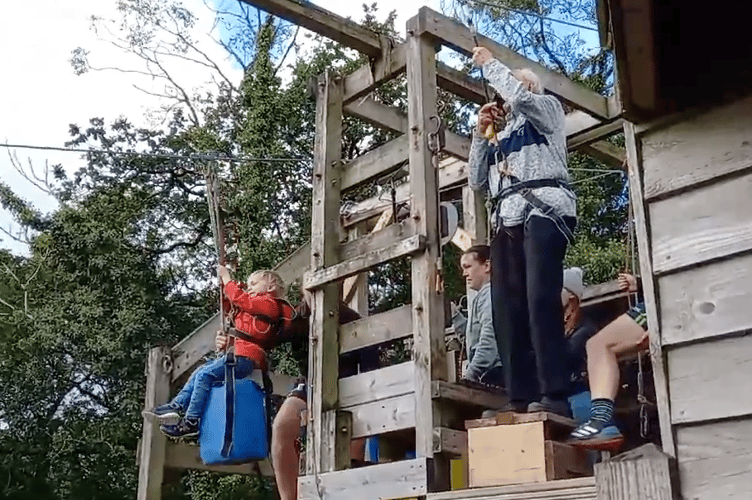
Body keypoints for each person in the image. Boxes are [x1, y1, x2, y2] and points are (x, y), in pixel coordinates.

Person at [468, 46, 577, 417]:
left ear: (528, 88)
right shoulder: (501, 136)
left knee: (539, 298)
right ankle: (518, 395)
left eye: (511, 89)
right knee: (506, 309)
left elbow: (518, 95)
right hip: (507, 217)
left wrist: (489, 65)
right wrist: (482, 133)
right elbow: (476, 179)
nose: (505, 97)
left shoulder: (547, 110)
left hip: (545, 207)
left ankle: (555, 394)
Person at [143, 266, 291, 438]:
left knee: (205, 375)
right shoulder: (253, 310)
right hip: (239, 354)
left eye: (254, 283)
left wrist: (227, 278)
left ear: (270, 287)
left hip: (246, 357)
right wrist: (224, 289)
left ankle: (191, 420)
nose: (249, 287)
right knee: (200, 372)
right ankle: (177, 406)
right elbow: (232, 307)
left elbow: (240, 299)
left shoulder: (269, 304)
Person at [272, 291, 377, 500]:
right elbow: (266, 337)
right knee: (282, 425)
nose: (313, 293)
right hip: (310, 384)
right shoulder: (297, 316)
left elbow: (371, 368)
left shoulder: (352, 319)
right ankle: (289, 497)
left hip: (348, 386)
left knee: (353, 435)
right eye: (308, 289)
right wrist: (232, 339)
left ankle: (344, 493)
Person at [569, 273, 648, 448]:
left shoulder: (583, 329)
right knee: (603, 347)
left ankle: (601, 422)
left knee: (598, 345)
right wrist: (640, 284)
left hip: (660, 302)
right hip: (660, 297)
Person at [450, 245, 504, 387]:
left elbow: (490, 337)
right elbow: (473, 337)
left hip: (494, 374)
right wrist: (454, 315)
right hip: (491, 372)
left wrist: (472, 373)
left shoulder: (489, 294)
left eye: (467, 267)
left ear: (487, 266)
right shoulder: (485, 295)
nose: (464, 274)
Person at [561, 267, 599, 396]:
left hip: (582, 393)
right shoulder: (560, 328)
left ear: (571, 301)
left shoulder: (586, 331)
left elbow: (567, 357)